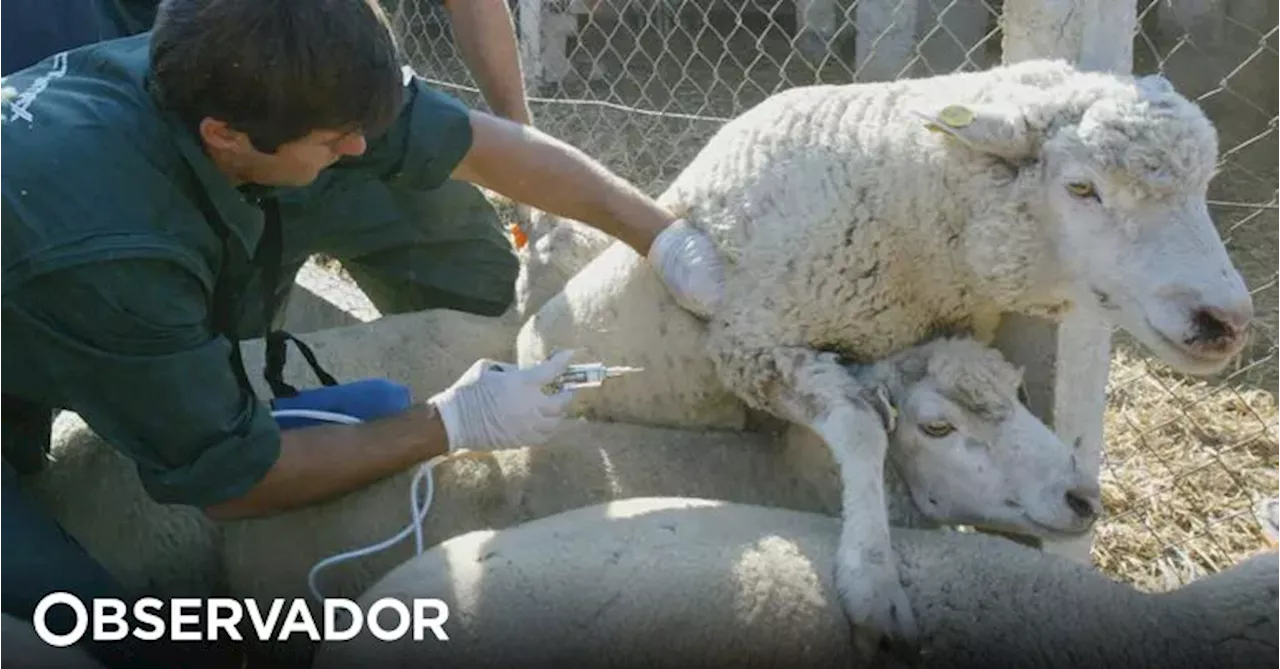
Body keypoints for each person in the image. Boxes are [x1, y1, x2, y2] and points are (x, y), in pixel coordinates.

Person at [0, 0, 726, 666]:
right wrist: (451, 421)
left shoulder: (258, 67)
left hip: (46, 281)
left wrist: (659, 236)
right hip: (57, 265)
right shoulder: (115, 254)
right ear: (225, 137)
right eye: (333, 140)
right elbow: (235, 482)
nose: (356, 151)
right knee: (138, 641)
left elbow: (479, 144)